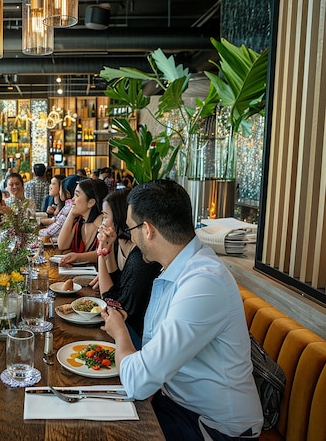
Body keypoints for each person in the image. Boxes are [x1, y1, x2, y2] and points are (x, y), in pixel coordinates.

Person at [101, 179, 263, 440]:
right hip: (175, 403)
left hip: (214, 426)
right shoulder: (177, 268)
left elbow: (138, 382)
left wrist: (119, 332)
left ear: (148, 230)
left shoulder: (204, 283)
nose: (130, 235)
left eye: (131, 228)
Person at [91, 189, 161, 349]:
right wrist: (106, 253)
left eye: (106, 216)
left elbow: (111, 301)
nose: (102, 221)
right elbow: (117, 284)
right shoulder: (118, 241)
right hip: (126, 327)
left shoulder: (141, 257)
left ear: (122, 216)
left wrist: (101, 254)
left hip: (135, 338)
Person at [58, 178, 108, 265]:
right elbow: (62, 245)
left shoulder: (103, 225)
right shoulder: (81, 222)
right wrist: (72, 214)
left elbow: (105, 252)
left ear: (91, 202)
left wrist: (78, 257)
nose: (72, 199)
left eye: (77, 195)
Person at [38, 174, 78, 239]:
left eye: (53, 184)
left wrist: (34, 229)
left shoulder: (69, 207)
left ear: (67, 193)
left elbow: (51, 231)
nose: (50, 186)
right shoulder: (50, 199)